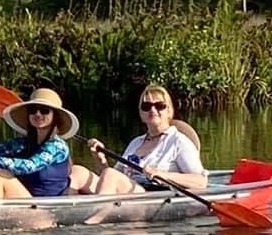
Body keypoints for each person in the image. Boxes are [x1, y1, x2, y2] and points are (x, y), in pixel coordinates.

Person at [72, 83, 207, 196]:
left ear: (169, 111)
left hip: (150, 195)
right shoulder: (136, 142)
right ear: (141, 113)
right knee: (78, 172)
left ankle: (92, 222)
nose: (152, 110)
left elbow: (200, 182)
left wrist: (163, 174)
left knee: (110, 175)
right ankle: (57, 216)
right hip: (127, 191)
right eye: (146, 106)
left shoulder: (178, 141)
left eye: (159, 105)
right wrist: (100, 158)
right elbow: (109, 178)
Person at [0, 86, 78, 200]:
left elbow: (29, 165)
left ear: (55, 116)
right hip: (23, 202)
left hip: (45, 210)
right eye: (33, 110)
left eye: (44, 111)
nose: (38, 114)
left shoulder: (58, 146)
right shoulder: (22, 144)